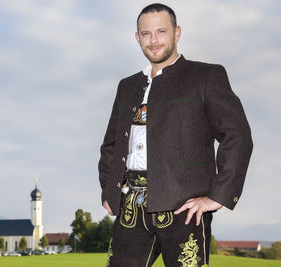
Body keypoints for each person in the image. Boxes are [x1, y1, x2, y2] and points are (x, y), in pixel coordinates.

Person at [98, 3, 253, 267]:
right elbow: (111, 145)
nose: (154, 40)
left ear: (177, 33)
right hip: (130, 208)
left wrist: (217, 196)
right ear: (137, 38)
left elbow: (237, 136)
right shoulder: (127, 86)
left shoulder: (206, 76)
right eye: (146, 34)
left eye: (161, 31)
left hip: (184, 209)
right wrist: (108, 190)